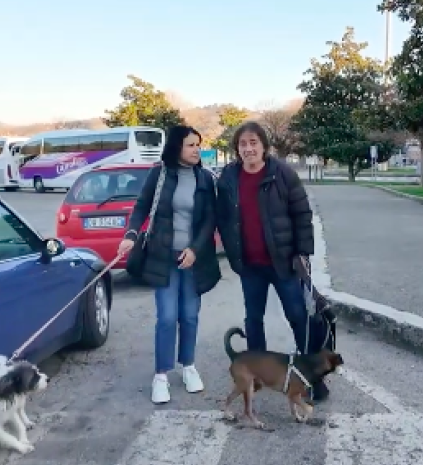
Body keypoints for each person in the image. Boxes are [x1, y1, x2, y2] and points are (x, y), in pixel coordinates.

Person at [215, 121, 329, 401]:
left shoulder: (283, 174)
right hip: (249, 265)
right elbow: (222, 217)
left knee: (298, 317)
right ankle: (258, 374)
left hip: (284, 263)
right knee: (254, 320)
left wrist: (303, 253)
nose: (248, 148)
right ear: (237, 149)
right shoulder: (228, 178)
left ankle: (310, 377)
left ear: (264, 146)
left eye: (254, 142)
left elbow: (302, 214)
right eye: (243, 144)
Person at [118, 125, 221, 404]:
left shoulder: (204, 178)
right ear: (177, 147)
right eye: (190, 145)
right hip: (163, 256)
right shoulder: (159, 174)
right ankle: (161, 374)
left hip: (193, 259)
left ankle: (188, 366)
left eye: (198, 145)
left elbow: (210, 218)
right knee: (166, 317)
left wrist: (195, 249)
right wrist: (130, 235)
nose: (197, 150)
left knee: (189, 315)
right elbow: (141, 206)